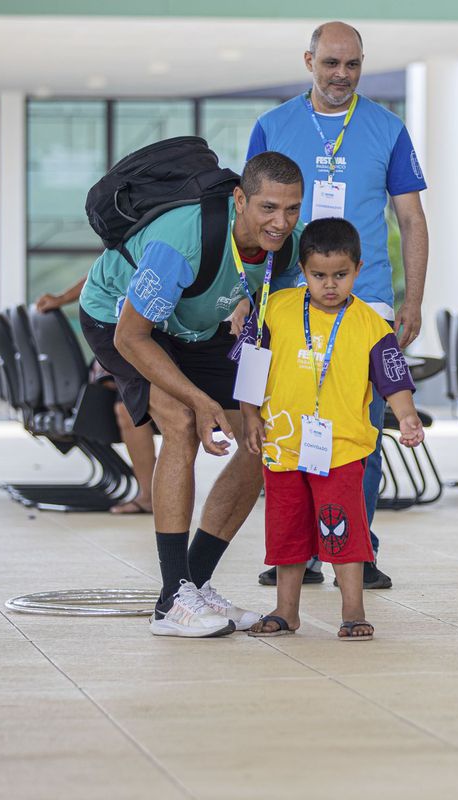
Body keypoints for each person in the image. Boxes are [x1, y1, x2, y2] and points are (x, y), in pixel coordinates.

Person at [78, 151, 307, 638]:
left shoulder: (286, 249)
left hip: (195, 329)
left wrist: (257, 401)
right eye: (268, 207)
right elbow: (130, 337)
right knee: (180, 423)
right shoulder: (182, 241)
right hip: (119, 320)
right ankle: (169, 604)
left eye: (292, 209)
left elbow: (275, 324)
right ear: (240, 199)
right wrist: (203, 403)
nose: (280, 222)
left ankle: (195, 584)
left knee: (260, 435)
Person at [248, 20, 429, 591]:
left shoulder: (387, 128)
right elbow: (252, 219)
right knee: (288, 428)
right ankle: (296, 553)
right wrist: (247, 296)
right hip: (287, 299)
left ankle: (357, 548)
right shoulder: (272, 125)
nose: (341, 75)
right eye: (330, 63)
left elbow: (411, 218)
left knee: (361, 430)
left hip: (366, 299)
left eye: (352, 65)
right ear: (309, 61)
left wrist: (413, 299)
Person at [239, 218, 424, 639]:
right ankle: (287, 610)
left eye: (340, 275)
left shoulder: (373, 327)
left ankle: (353, 610)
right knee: (286, 530)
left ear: (358, 269)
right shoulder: (277, 310)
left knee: (343, 527)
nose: (329, 285)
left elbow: (393, 380)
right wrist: (249, 415)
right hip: (283, 446)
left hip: (340, 450)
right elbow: (253, 365)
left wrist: (408, 417)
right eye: (318, 275)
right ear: (302, 269)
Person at [35, 276, 187, 515]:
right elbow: (100, 272)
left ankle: (154, 493)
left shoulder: (157, 245)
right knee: (123, 408)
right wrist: (63, 298)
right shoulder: (120, 251)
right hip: (124, 341)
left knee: (127, 409)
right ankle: (149, 493)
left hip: (159, 338)